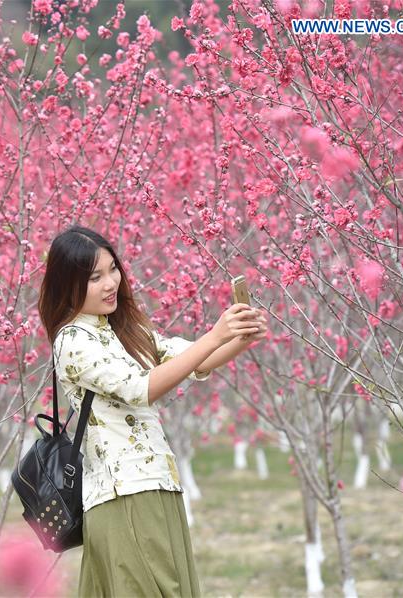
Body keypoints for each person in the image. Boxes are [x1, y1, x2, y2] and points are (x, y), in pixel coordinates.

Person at [37, 225, 268, 597]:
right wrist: (216, 335)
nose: (111, 282)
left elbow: (193, 361)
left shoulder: (124, 328)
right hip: (122, 492)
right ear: (69, 284)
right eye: (95, 277)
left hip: (158, 482)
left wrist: (240, 337)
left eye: (113, 269)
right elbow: (141, 389)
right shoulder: (73, 340)